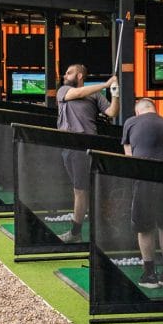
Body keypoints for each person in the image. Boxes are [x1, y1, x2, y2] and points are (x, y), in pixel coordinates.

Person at [122, 97, 163, 289]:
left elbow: (129, 158)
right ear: (154, 110)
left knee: (144, 226)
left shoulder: (131, 122)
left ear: (138, 111)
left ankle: (149, 275)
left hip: (145, 177)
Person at [55, 64, 120, 244]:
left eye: (69, 72)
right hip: (70, 146)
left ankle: (77, 233)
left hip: (88, 145)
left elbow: (113, 112)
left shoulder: (95, 95)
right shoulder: (64, 90)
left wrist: (115, 93)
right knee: (81, 190)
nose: (65, 75)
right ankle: (87, 231)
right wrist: (106, 85)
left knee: (83, 190)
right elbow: (76, 94)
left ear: (80, 74)